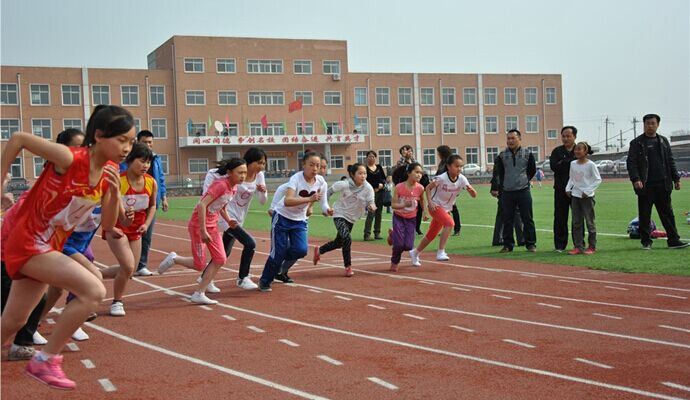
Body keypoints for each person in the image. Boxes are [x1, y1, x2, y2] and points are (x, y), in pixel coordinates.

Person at [0, 104, 133, 390]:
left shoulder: (110, 171)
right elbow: (18, 139)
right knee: (94, 288)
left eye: (131, 142)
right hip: (28, 241)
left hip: (48, 245)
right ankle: (46, 360)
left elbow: (109, 226)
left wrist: (112, 193)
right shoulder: (70, 158)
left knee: (12, 321)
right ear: (98, 135)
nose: (127, 148)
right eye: (121, 140)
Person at [157, 158, 247, 304]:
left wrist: (229, 219)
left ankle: (199, 293)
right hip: (199, 226)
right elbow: (202, 205)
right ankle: (174, 259)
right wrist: (203, 230)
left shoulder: (234, 187)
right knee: (199, 265)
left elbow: (221, 206)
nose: (243, 176)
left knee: (220, 259)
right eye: (240, 172)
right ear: (230, 172)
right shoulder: (220, 185)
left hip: (212, 226)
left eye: (245, 172)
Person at [258, 152, 332, 291]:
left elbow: (323, 203)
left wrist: (328, 210)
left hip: (299, 220)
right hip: (282, 217)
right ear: (303, 165)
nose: (315, 168)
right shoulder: (296, 178)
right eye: (311, 165)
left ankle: (280, 268)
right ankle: (265, 280)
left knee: (300, 250)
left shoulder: (321, 182)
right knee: (278, 252)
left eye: (318, 165)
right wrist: (308, 200)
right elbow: (287, 201)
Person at [197, 147, 267, 291]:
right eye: (259, 163)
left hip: (238, 218)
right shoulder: (236, 173)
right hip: (226, 216)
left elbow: (262, 201)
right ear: (249, 162)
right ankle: (242, 278)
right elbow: (214, 175)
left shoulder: (259, 176)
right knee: (250, 243)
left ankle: (205, 277)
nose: (261, 167)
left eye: (263, 163)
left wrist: (263, 192)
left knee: (224, 252)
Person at [101, 143, 157, 316]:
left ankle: (96, 274)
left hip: (137, 229)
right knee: (127, 265)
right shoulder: (119, 181)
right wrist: (124, 217)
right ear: (130, 161)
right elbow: (111, 205)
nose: (145, 166)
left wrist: (146, 224)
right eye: (141, 161)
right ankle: (117, 301)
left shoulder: (151, 182)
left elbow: (153, 205)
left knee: (130, 270)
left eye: (148, 162)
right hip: (117, 228)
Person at [626, 114, 689, 250]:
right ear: (643, 125)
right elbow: (631, 163)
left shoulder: (663, 141)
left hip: (663, 184)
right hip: (645, 185)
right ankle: (646, 241)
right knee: (644, 214)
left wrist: (676, 178)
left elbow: (670, 161)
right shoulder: (637, 143)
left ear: (657, 125)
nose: (650, 126)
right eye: (647, 123)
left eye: (653, 123)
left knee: (667, 214)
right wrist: (636, 179)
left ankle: (673, 240)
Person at [409, 155, 477, 266]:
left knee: (432, 234)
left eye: (461, 166)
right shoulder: (441, 178)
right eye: (456, 166)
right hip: (435, 206)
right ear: (449, 166)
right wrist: (430, 203)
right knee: (450, 223)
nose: (459, 169)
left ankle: (415, 252)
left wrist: (471, 190)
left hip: (446, 209)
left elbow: (474, 195)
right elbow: (428, 188)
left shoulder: (462, 179)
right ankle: (441, 251)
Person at [313, 163, 375, 277]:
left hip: (352, 218)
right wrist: (326, 207)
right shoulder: (344, 184)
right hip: (339, 214)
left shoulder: (368, 188)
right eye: (360, 173)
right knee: (347, 238)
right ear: (352, 174)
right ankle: (348, 266)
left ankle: (320, 250)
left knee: (339, 242)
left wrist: (372, 207)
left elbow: (371, 202)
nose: (363, 176)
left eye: (365, 173)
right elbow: (328, 192)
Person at [121, 130, 168, 277]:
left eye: (150, 142)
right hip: (126, 202)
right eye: (145, 142)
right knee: (124, 241)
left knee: (145, 233)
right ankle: (126, 265)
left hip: (147, 200)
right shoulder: (126, 164)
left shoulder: (156, 159)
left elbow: (160, 178)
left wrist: (164, 197)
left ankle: (141, 265)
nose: (148, 145)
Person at [491, 129, 537, 253]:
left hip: (523, 190)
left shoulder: (528, 154)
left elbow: (532, 170)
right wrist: (499, 187)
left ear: (519, 139)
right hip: (507, 191)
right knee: (507, 219)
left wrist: (524, 180)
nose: (510, 141)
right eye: (508, 138)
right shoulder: (502, 155)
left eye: (513, 138)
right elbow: (499, 172)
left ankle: (531, 244)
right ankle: (508, 245)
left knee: (527, 218)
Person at [388, 162, 426, 272]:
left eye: (421, 173)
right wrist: (404, 205)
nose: (419, 175)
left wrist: (424, 212)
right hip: (399, 217)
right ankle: (395, 262)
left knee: (409, 246)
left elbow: (422, 201)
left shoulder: (420, 188)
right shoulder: (399, 187)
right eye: (417, 172)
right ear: (409, 173)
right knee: (399, 244)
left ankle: (393, 234)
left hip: (411, 219)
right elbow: (393, 205)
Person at [565, 142, 602, 254]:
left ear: (585, 151)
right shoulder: (573, 164)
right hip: (575, 196)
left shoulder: (591, 165)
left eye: (580, 149)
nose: (577, 151)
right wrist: (568, 188)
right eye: (576, 149)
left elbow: (598, 179)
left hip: (587, 197)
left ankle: (592, 246)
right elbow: (571, 178)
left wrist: (588, 190)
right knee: (576, 222)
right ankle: (578, 246)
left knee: (589, 222)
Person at [549, 126, 577, 252]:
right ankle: (560, 245)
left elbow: (581, 166)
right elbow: (554, 167)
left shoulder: (580, 149)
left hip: (577, 189)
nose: (565, 138)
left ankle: (578, 243)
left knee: (577, 218)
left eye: (568, 136)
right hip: (560, 189)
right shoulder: (557, 151)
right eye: (563, 136)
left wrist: (565, 163)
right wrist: (568, 162)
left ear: (574, 137)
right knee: (560, 217)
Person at [435, 145, 462, 236]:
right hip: (442, 189)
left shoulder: (449, 162)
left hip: (450, 188)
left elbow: (453, 174)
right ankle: (446, 227)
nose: (437, 154)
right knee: (444, 210)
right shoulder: (442, 162)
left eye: (439, 152)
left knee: (453, 208)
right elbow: (439, 174)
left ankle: (457, 229)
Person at [363, 151, 386, 241]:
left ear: (375, 158)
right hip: (369, 193)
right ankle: (367, 234)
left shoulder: (379, 167)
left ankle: (377, 232)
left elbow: (383, 178)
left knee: (379, 213)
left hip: (380, 192)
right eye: (369, 156)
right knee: (371, 213)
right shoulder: (365, 168)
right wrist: (373, 187)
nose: (371, 158)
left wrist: (381, 184)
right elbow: (364, 180)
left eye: (373, 156)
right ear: (367, 158)